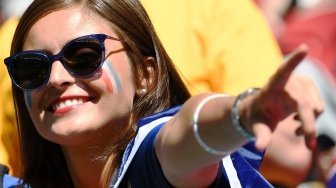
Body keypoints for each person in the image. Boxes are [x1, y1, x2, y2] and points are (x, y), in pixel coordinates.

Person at [3, 0, 322, 187]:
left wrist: (243, 110)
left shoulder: (152, 157)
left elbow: (188, 133)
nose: (56, 78)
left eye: (84, 57)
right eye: (32, 68)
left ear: (145, 74)